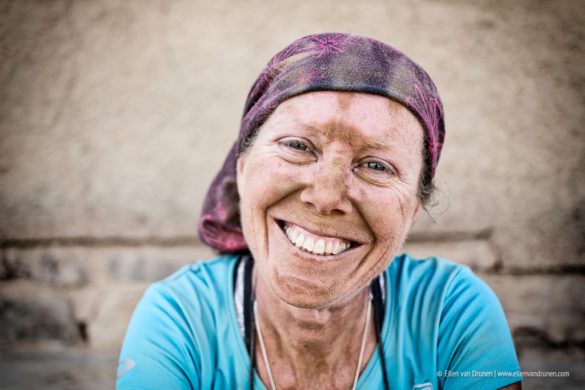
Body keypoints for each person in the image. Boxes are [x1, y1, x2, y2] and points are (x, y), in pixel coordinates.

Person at [117, 33, 522, 389]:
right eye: (297, 146)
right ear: (241, 171)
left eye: (377, 166)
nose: (326, 196)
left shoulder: (448, 312)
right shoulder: (181, 320)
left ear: (413, 210)